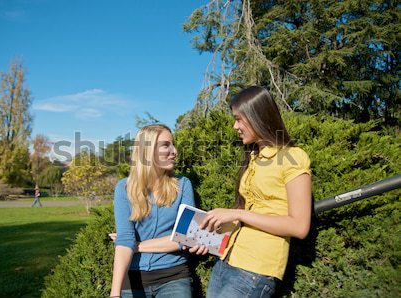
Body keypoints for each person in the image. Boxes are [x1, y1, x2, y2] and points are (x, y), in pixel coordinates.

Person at [200, 86, 312, 298]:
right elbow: (246, 211)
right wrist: (207, 238)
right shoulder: (254, 157)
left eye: (239, 119)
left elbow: (299, 226)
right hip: (226, 260)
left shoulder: (293, 157)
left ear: (258, 116)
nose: (235, 126)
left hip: (255, 269)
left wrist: (237, 213)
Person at [110, 124, 200, 298]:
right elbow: (124, 242)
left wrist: (136, 246)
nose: (174, 151)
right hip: (133, 279)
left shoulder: (183, 185)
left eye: (173, 144)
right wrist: (115, 294)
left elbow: (187, 237)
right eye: (166, 145)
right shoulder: (124, 188)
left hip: (174, 277)